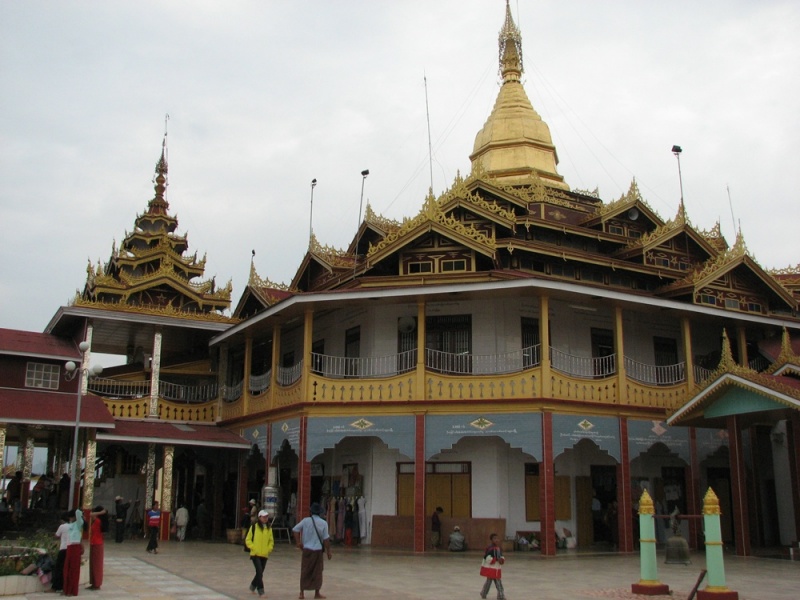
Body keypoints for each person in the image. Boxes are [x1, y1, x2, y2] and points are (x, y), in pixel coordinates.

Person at [292, 502, 332, 600]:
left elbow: (295, 530)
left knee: (305, 570)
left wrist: (298, 543)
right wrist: (328, 551)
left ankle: (302, 593)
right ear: (320, 513)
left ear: (311, 512)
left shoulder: (305, 521)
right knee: (317, 571)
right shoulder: (323, 523)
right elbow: (326, 539)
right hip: (318, 551)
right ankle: (317, 593)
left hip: (307, 550)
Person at [245, 509, 275, 597]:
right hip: (255, 554)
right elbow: (248, 539)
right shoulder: (254, 527)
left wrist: (269, 548)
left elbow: (271, 540)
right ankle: (261, 591)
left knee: (260, 572)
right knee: (259, 571)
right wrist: (253, 547)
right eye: (263, 517)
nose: (265, 518)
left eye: (266, 517)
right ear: (259, 517)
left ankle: (252, 586)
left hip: (264, 554)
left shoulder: (269, 528)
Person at [63, 508, 85, 596]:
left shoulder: (79, 524)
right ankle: (66, 589)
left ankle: (72, 590)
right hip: (69, 547)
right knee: (67, 568)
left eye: (71, 517)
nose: (70, 519)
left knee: (74, 569)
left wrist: (77, 511)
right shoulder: (70, 525)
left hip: (75, 547)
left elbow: (78, 513)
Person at [87, 505, 108, 590]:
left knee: (97, 565)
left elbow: (90, 514)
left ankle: (97, 583)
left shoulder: (98, 521)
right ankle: (93, 583)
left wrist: (101, 513)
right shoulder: (97, 521)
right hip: (94, 543)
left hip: (97, 544)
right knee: (93, 564)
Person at [479, 533, 505, 600]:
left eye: (497, 538)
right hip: (491, 568)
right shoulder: (490, 549)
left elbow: (501, 556)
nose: (496, 540)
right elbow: (487, 558)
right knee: (491, 582)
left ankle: (484, 593)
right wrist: (496, 559)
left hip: (497, 568)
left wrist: (502, 560)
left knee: (496, 582)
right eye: (494, 538)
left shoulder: (499, 548)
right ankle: (500, 595)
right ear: (491, 540)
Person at [51, 511, 70, 593]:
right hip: (70, 549)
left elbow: (57, 536)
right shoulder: (73, 526)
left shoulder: (62, 526)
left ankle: (55, 587)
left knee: (59, 568)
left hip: (63, 549)